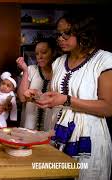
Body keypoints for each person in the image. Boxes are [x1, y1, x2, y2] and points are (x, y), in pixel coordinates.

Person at [30, 13, 112, 179]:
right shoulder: (58, 62)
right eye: (58, 34)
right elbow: (56, 98)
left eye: (66, 33)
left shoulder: (104, 60)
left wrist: (67, 100)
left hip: (88, 137)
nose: (60, 38)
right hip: (56, 133)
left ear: (83, 32)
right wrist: (41, 97)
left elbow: (108, 108)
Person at [16, 37, 57, 131]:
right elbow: (22, 98)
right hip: (29, 124)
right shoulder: (31, 70)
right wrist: (25, 70)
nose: (39, 56)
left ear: (53, 52)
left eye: (44, 52)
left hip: (50, 125)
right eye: (37, 54)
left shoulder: (59, 72)